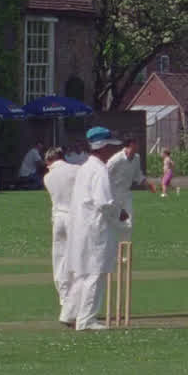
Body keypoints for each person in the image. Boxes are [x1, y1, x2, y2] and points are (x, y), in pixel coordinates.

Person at [62, 126, 125, 331]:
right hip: (95, 227)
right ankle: (86, 319)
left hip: (81, 226)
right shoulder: (98, 170)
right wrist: (120, 213)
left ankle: (70, 313)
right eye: (110, 148)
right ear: (102, 147)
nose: (112, 152)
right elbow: (104, 202)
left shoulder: (85, 167)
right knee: (95, 272)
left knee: (82, 272)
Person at [43, 143, 80, 325]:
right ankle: (72, 308)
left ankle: (65, 303)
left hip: (58, 219)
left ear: (51, 159)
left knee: (60, 262)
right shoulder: (76, 169)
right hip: (74, 218)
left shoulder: (47, 177)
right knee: (74, 262)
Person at [106, 135, 144, 248]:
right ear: (129, 146)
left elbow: (138, 175)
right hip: (113, 194)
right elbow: (104, 174)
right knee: (113, 223)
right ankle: (111, 250)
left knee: (128, 224)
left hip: (126, 194)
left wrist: (148, 183)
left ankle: (124, 253)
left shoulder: (136, 158)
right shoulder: (116, 159)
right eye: (135, 145)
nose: (137, 147)